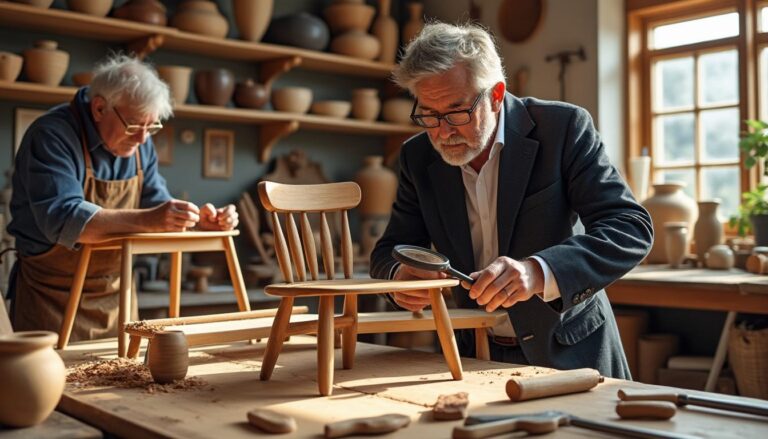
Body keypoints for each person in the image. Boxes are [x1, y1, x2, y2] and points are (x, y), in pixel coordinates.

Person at [370, 22, 653, 379]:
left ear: (496, 95)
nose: (442, 133)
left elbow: (630, 229)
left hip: (571, 351)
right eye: (428, 114)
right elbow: (389, 250)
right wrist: (401, 276)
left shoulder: (563, 128)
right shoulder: (417, 156)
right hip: (474, 357)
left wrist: (537, 272)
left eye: (457, 112)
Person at [7, 54, 238, 341]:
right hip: (50, 297)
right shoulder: (52, 136)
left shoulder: (140, 144)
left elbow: (157, 207)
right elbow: (64, 219)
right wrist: (152, 219)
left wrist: (199, 222)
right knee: (50, 383)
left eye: (151, 127)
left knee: (118, 380)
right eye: (134, 126)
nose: (143, 139)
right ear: (100, 108)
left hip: (117, 298)